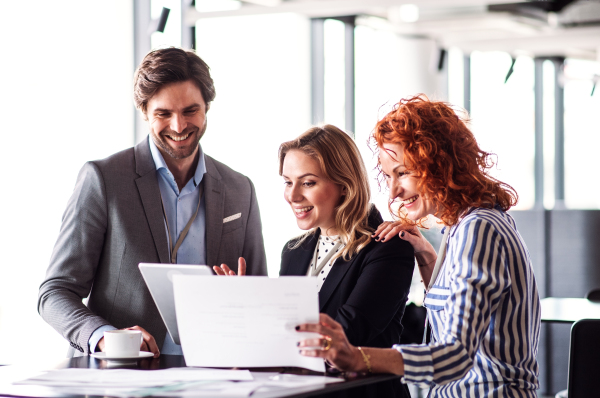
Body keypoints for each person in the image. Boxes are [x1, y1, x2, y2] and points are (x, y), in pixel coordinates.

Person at [296, 96, 541, 397]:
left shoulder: (479, 229)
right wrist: (426, 255)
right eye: (388, 176)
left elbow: (455, 354)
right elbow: (454, 314)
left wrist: (357, 356)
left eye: (403, 172)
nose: (394, 191)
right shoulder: (464, 226)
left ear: (439, 164)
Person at [38, 47, 267, 358]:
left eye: (190, 111)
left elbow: (261, 296)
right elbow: (54, 293)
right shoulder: (104, 179)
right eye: (163, 113)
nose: (178, 126)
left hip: (215, 374)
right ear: (144, 111)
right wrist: (106, 337)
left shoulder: (240, 189)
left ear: (207, 108)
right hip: (121, 376)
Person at [217, 125, 415, 398]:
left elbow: (344, 336)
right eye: (288, 182)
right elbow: (287, 332)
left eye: (308, 182)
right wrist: (249, 309)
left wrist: (264, 323)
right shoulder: (294, 251)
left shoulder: (386, 249)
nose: (293, 195)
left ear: (344, 186)